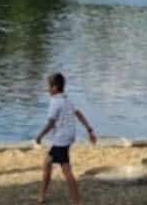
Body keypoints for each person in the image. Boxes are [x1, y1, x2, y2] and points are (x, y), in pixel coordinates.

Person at [35, 72, 98, 205]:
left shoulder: (55, 102)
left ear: (55, 87)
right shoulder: (67, 99)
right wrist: (90, 130)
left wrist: (40, 136)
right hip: (68, 137)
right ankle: (43, 196)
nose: (47, 89)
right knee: (49, 163)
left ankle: (76, 201)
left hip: (62, 139)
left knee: (65, 170)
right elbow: (79, 114)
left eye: (49, 86)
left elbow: (51, 123)